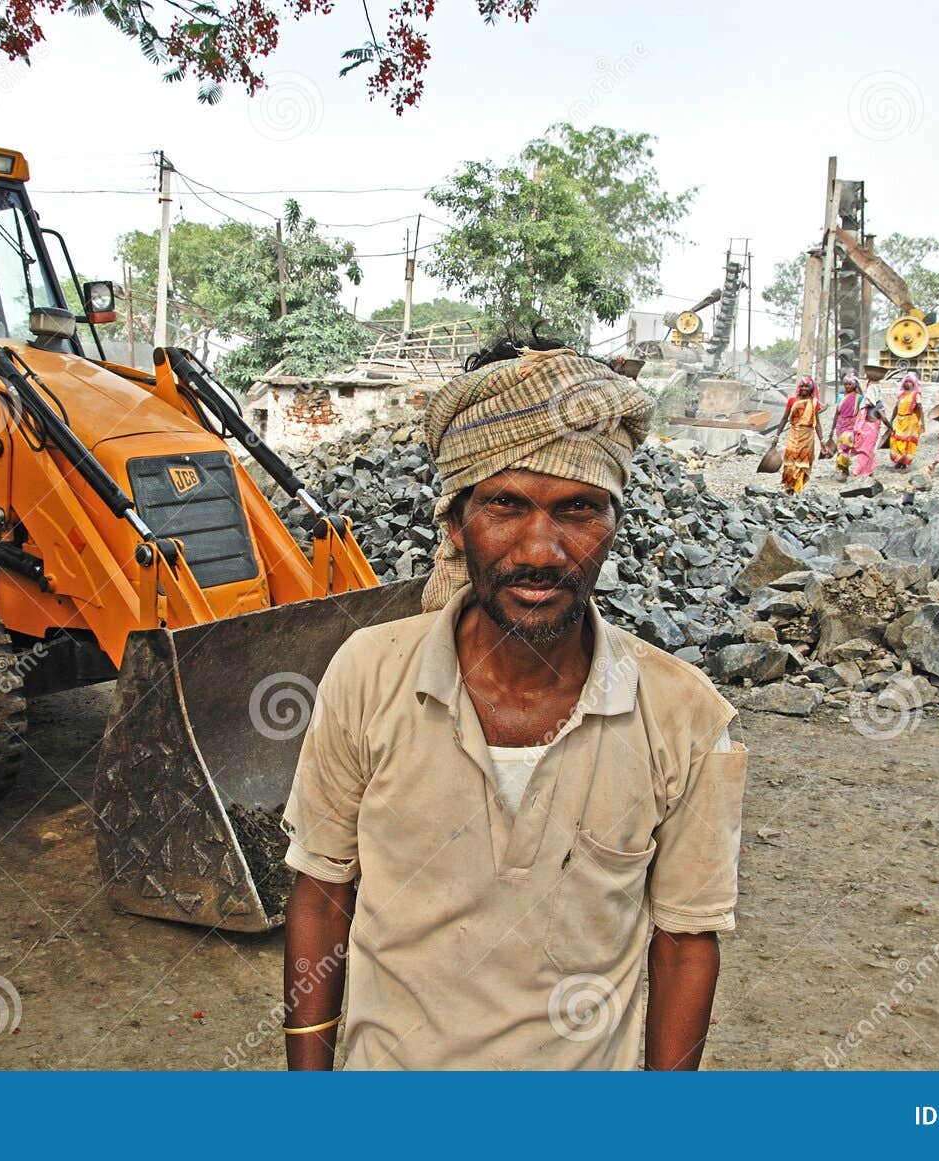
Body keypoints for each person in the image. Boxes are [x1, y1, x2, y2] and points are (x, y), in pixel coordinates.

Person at [281, 337, 748, 1071]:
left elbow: (687, 943)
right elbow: (321, 890)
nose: (541, 548)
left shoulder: (684, 715)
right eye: (505, 504)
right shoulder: (369, 674)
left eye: (578, 509)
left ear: (614, 523)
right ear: (456, 522)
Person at [770, 375, 826, 493]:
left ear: (812, 388)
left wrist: (822, 441)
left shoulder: (814, 403)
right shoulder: (792, 401)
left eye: (807, 386)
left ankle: (797, 488)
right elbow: (784, 419)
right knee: (790, 462)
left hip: (807, 436)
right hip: (793, 433)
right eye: (802, 386)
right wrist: (777, 435)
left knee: (802, 463)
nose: (804, 388)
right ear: (799, 387)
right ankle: (789, 487)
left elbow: (817, 423)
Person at [888, 372, 924, 468]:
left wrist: (922, 422)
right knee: (895, 440)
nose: (908, 384)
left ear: (914, 383)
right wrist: (891, 419)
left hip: (910, 421)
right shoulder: (900, 394)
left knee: (907, 442)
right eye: (906, 382)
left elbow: (920, 408)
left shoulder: (916, 395)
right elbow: (896, 407)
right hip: (900, 419)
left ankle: (903, 462)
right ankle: (898, 460)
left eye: (910, 382)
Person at [832, 372, 861, 480]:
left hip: (851, 425)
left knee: (844, 448)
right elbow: (837, 413)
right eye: (846, 384)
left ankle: (844, 472)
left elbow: (861, 413)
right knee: (842, 448)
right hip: (841, 425)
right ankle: (845, 469)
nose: (848, 386)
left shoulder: (859, 398)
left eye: (850, 384)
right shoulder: (840, 397)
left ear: (855, 385)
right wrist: (832, 429)